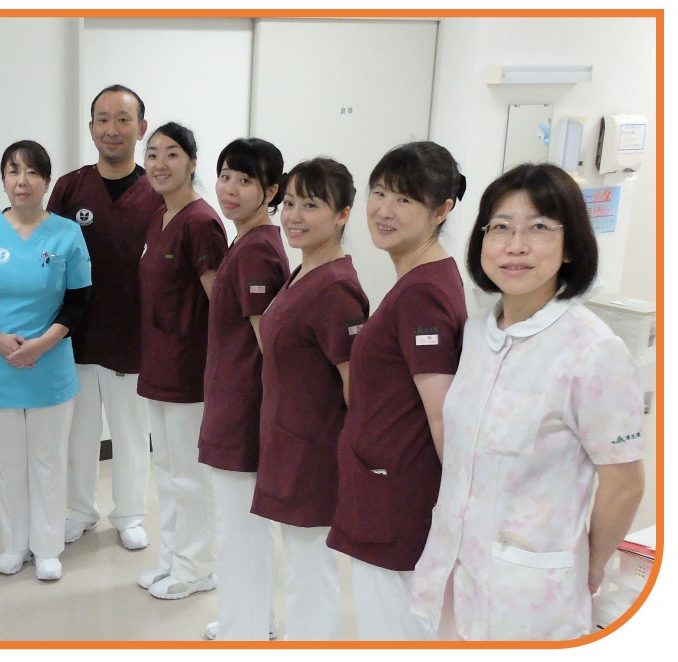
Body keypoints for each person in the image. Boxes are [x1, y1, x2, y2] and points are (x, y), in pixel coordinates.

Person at [411, 163, 645, 641]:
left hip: (529, 598)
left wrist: (590, 565)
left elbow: (624, 483)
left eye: (538, 228)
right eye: (500, 228)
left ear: (570, 246)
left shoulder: (591, 350)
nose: (515, 245)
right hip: (450, 575)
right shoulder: (477, 332)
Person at [325, 141, 468, 640]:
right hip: (386, 480)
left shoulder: (423, 294)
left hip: (397, 491)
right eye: (380, 192)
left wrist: (460, 508)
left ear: (441, 210)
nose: (384, 210)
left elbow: (443, 413)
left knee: (391, 627)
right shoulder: (423, 278)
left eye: (405, 199)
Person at [0, 140, 92, 581]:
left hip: (50, 364)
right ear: (2, 178)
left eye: (33, 171)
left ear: (47, 181)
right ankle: (15, 544)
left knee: (48, 461)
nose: (23, 180)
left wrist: (40, 345)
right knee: (9, 463)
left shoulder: (67, 233)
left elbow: (79, 301)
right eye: (13, 170)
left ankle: (47, 547)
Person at [250, 157, 368, 640]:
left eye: (311, 205)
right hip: (288, 441)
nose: (294, 216)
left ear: (342, 215)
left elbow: (355, 386)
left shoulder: (336, 289)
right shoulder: (303, 271)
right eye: (290, 203)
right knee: (299, 566)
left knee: (309, 572)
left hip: (313, 452)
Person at [47, 84, 161, 550]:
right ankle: (79, 511)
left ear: (141, 127)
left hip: (133, 338)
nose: (112, 129)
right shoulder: (70, 188)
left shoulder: (157, 192)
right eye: (103, 119)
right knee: (79, 433)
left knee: (131, 433)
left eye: (123, 119)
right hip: (75, 335)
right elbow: (48, 256)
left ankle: (130, 514)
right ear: (91, 127)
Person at [197, 138, 288, 640]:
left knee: (239, 529)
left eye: (245, 180)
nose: (229, 188)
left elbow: (268, 346)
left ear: (271, 191)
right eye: (225, 175)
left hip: (242, 410)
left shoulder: (256, 252)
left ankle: (244, 631)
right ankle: (256, 622)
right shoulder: (250, 242)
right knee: (244, 526)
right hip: (235, 403)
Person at [134, 122, 227, 600]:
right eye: (152, 154)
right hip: (158, 365)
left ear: (192, 162)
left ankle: (197, 568)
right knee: (168, 473)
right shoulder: (159, 217)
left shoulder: (201, 222)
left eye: (171, 154)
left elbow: (221, 306)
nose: (159, 164)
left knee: (190, 477)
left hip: (189, 370)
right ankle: (171, 559)